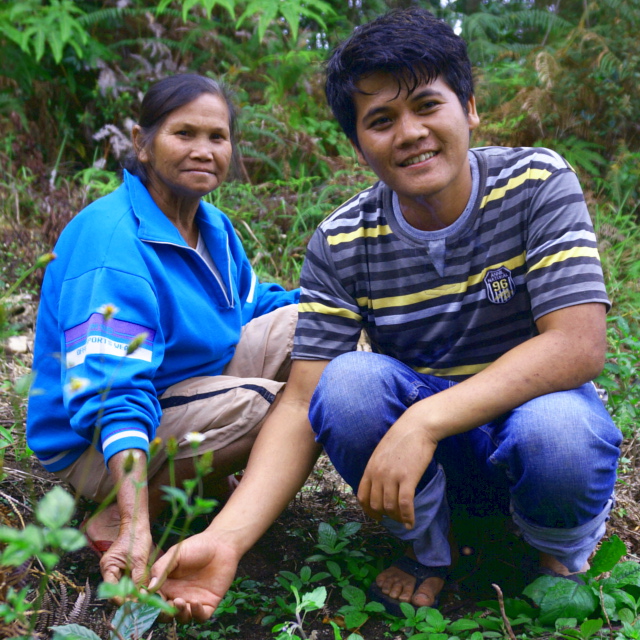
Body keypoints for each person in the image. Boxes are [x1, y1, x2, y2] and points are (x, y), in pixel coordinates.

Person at [150, 9, 621, 620]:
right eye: (381, 119)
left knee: (558, 427)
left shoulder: (536, 182)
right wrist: (227, 538)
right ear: (358, 144)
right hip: (430, 468)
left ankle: (553, 554)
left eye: (427, 105)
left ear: (469, 107)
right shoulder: (343, 239)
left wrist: (421, 422)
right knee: (347, 383)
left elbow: (576, 347)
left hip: (527, 437)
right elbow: (301, 403)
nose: (410, 132)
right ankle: (432, 547)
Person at [26, 74, 299, 588]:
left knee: (321, 328)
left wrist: (339, 299)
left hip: (183, 388)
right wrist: (134, 522)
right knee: (274, 406)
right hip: (96, 441)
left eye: (217, 137)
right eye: (184, 133)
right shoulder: (114, 243)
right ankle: (115, 509)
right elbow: (113, 393)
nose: (203, 150)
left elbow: (250, 305)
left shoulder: (211, 227)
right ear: (142, 143)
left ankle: (211, 471)